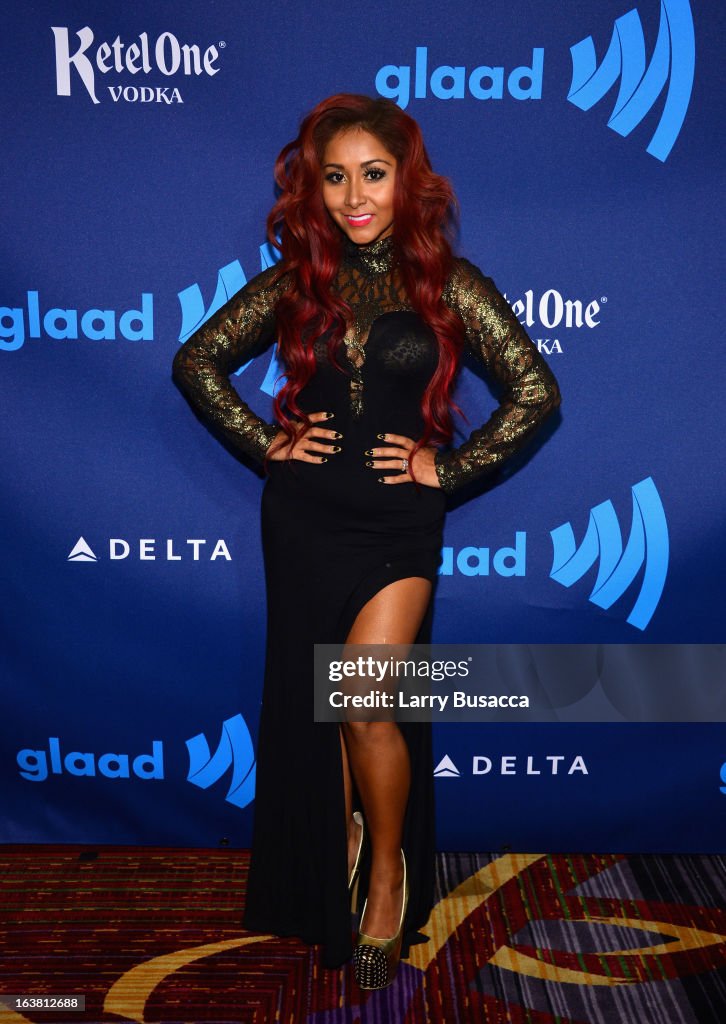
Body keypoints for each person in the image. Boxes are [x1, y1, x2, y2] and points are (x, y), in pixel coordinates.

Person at [171, 93, 560, 989]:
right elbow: (195, 361)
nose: (353, 196)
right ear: (314, 189)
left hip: (397, 527)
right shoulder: (297, 284)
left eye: (372, 176)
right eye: (334, 177)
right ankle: (336, 846)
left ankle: (386, 875)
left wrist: (448, 470)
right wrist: (265, 442)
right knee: (318, 716)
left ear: (406, 182)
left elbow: (537, 393)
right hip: (303, 520)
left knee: (361, 701)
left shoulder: (450, 287)